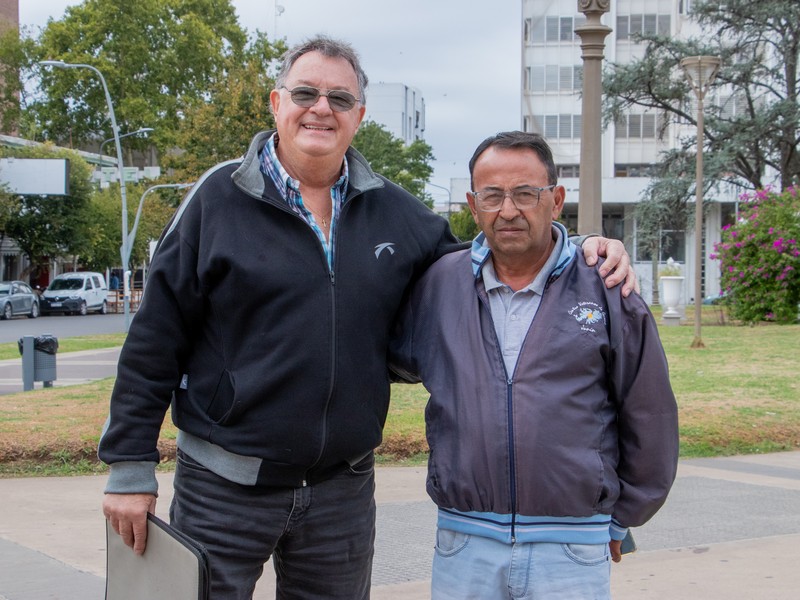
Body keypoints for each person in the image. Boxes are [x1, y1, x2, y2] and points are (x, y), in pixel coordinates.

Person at [99, 37, 636, 599]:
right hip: (222, 486)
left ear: (359, 115)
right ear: (276, 103)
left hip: (341, 491)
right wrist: (130, 468)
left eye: (339, 97)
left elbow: (489, 261)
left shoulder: (399, 215)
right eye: (305, 92)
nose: (321, 107)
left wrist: (579, 249)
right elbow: (154, 341)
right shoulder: (215, 200)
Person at [390, 131, 679, 600]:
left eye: (526, 193)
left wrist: (626, 514)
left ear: (556, 199)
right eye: (492, 195)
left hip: (572, 547)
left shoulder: (605, 285)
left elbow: (650, 411)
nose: (508, 209)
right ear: (472, 202)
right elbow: (382, 356)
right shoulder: (438, 285)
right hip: (464, 543)